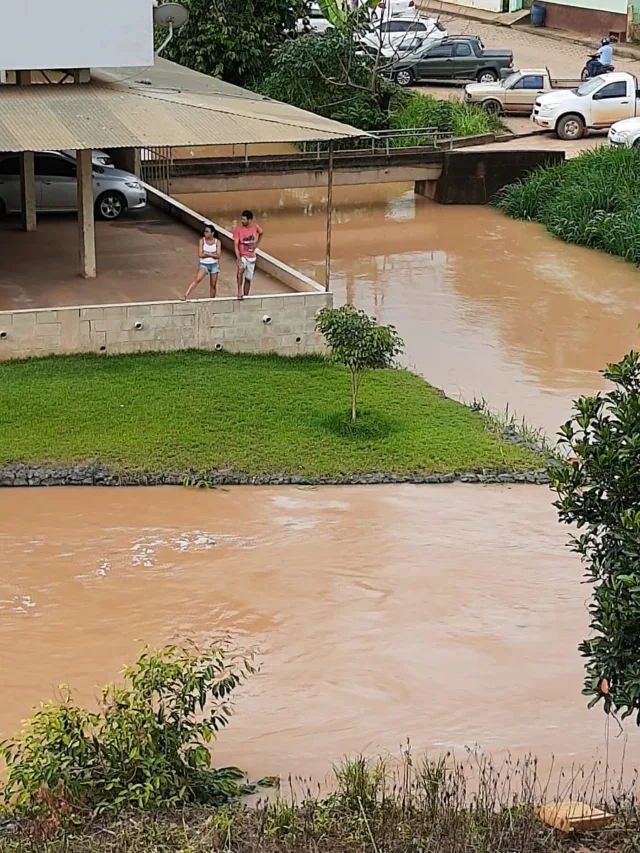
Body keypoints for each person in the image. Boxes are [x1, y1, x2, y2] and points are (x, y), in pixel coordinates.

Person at [182, 224, 220, 300]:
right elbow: (200, 254)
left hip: (214, 265)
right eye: (205, 232)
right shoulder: (202, 241)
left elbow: (218, 256)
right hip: (204, 264)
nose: (205, 233)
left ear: (212, 233)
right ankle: (185, 295)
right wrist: (212, 254)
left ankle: (212, 300)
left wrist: (206, 253)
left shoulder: (217, 242)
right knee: (197, 279)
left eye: (207, 232)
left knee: (213, 285)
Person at [232, 210, 263, 299]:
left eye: (244, 219)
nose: (242, 221)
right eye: (242, 219)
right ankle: (239, 291)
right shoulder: (238, 229)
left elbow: (261, 233)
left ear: (249, 220)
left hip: (252, 256)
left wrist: (257, 244)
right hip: (243, 255)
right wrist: (238, 257)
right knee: (240, 270)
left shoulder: (255, 227)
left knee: (248, 278)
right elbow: (235, 244)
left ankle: (246, 295)